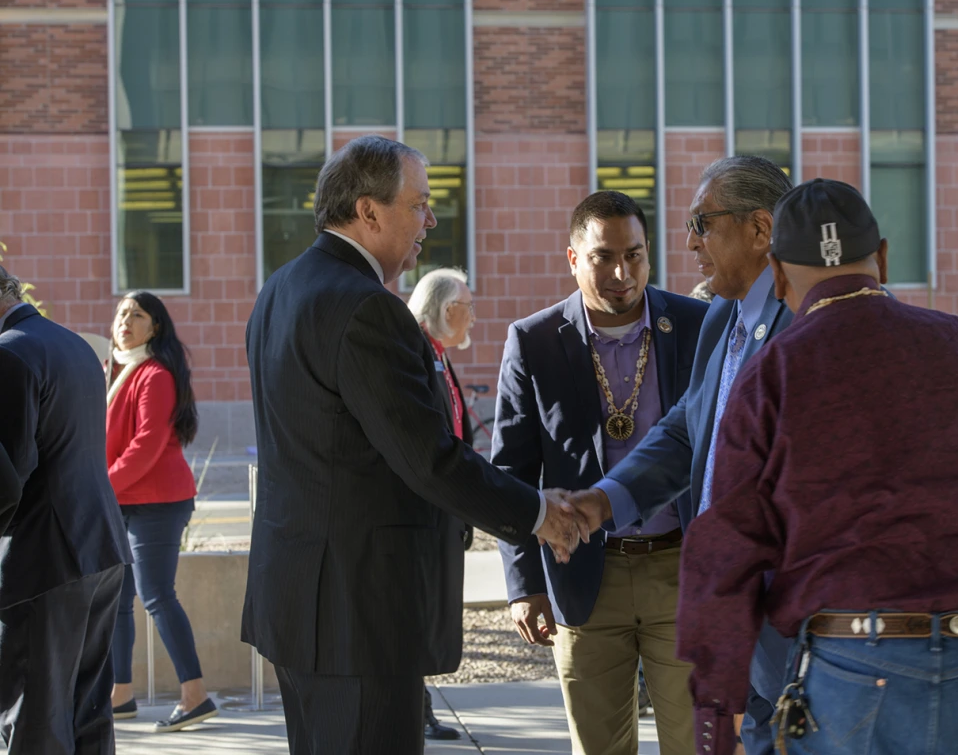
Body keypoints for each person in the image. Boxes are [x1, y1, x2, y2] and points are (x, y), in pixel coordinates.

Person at [676, 179, 958, 755]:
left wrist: (716, 725)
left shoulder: (774, 374)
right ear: (884, 258)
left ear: (776, 271)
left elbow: (723, 559)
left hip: (850, 671)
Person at [243, 134, 588, 755]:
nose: (429, 219)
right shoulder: (367, 308)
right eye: (419, 204)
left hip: (299, 603)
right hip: (358, 614)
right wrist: (540, 515)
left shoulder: (281, 288)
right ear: (369, 211)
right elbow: (429, 459)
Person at [566, 156, 796, 754]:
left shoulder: (802, 322)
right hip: (727, 618)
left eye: (703, 221)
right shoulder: (721, 315)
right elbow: (687, 429)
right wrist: (604, 500)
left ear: (760, 229)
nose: (689, 240)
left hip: (784, 626)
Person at [494, 191, 709, 755]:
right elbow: (511, 471)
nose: (621, 273)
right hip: (585, 575)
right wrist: (524, 586)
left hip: (681, 570)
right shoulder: (534, 341)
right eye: (603, 258)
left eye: (634, 256)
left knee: (697, 744)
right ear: (572, 258)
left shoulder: (696, 324)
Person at [0, 264, 131, 754]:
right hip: (99, 548)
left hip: (43, 560)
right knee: (88, 715)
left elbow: (8, 477)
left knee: (36, 721)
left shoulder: (9, 354)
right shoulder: (74, 344)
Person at [105, 291, 219, 732]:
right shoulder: (114, 371)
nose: (125, 320)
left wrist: (102, 486)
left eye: (137, 314)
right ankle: (121, 695)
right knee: (117, 601)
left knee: (156, 594)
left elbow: (147, 445)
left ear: (155, 327)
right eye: (120, 313)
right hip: (122, 501)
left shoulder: (154, 374)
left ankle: (195, 696)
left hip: (157, 502)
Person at [406, 267, 479, 741]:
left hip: (446, 507)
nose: (472, 318)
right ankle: (417, 709)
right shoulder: (414, 351)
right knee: (416, 612)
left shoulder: (438, 354)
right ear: (448, 310)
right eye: (468, 308)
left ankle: (420, 706)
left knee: (432, 613)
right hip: (421, 512)